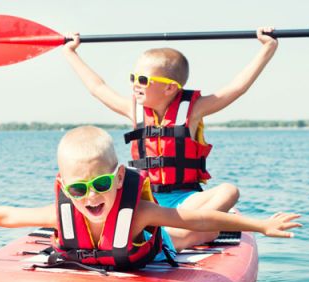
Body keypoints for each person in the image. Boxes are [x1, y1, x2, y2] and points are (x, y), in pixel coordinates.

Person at [0, 126, 300, 272]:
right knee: (199, 209)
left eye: (100, 184)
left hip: (167, 236)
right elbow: (7, 215)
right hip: (134, 239)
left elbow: (193, 222)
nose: (91, 196)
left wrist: (261, 226)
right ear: (65, 187)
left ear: (119, 179)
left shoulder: (140, 213)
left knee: (219, 205)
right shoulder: (63, 214)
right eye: (79, 189)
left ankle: (227, 192)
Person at [62, 28, 279, 249]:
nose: (135, 84)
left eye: (144, 79)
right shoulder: (134, 110)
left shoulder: (193, 110)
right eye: (133, 77)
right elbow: (97, 88)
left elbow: (236, 88)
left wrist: (268, 48)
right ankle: (192, 232)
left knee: (229, 191)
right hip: (146, 200)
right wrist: (71, 53)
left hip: (186, 201)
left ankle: (187, 231)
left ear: (169, 87)